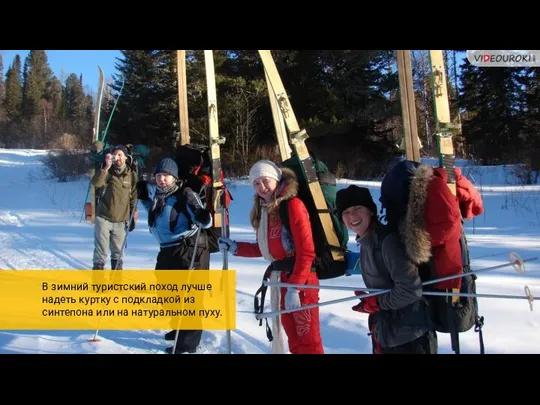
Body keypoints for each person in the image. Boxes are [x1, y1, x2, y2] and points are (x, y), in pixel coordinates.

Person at [218, 160, 324, 354]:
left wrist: (295, 287)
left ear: (276, 179)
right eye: (256, 183)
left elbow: (307, 251)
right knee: (294, 339)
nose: (262, 187)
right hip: (280, 281)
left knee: (308, 340)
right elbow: (265, 249)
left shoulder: (293, 206)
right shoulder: (265, 209)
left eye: (265, 180)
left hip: (302, 280)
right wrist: (235, 247)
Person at [336, 185, 437, 354]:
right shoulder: (366, 242)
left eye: (357, 208)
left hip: (410, 337)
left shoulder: (387, 242)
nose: (351, 216)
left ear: (371, 211)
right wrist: (372, 301)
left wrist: (376, 303)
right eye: (345, 212)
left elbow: (410, 290)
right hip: (388, 332)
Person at [137, 157, 213, 354]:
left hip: (188, 249)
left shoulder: (185, 194)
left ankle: (187, 344)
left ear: (174, 178)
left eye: (166, 176)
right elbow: (157, 214)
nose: (162, 179)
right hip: (167, 250)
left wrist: (204, 217)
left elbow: (203, 218)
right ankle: (179, 327)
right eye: (159, 176)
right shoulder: (159, 196)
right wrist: (144, 198)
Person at [91, 144, 138, 272]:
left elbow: (133, 196)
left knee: (118, 254)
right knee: (100, 254)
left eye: (120, 155)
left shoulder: (131, 174)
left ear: (126, 157)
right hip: (104, 218)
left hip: (121, 221)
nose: (117, 158)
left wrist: (133, 216)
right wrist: (106, 167)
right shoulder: (107, 171)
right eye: (114, 155)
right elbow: (96, 183)